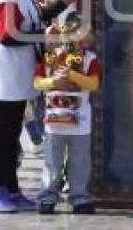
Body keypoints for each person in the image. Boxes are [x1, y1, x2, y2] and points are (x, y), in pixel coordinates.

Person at [0, 0, 78, 212]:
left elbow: (38, 18)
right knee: (3, 137)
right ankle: (0, 191)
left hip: (20, 76)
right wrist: (41, 37)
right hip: (4, 77)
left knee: (12, 135)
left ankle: (12, 190)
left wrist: (66, 2)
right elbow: (8, 34)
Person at [35, 30, 100, 215]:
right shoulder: (51, 57)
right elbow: (37, 82)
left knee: (79, 162)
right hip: (55, 120)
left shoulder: (90, 59)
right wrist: (52, 81)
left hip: (80, 121)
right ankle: (48, 197)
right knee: (52, 161)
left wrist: (73, 75)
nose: (84, 38)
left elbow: (94, 84)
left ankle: (80, 197)